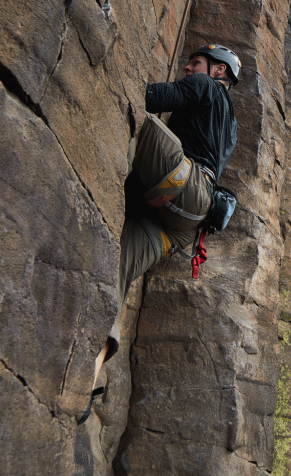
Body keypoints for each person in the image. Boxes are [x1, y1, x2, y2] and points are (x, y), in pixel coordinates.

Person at [84, 44, 240, 423]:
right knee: (114, 273)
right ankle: (91, 373)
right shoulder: (230, 128)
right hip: (183, 227)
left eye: (198, 63)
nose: (189, 67)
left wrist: (114, 82)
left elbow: (158, 97)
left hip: (185, 181)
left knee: (136, 110)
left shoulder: (207, 86)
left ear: (218, 71)